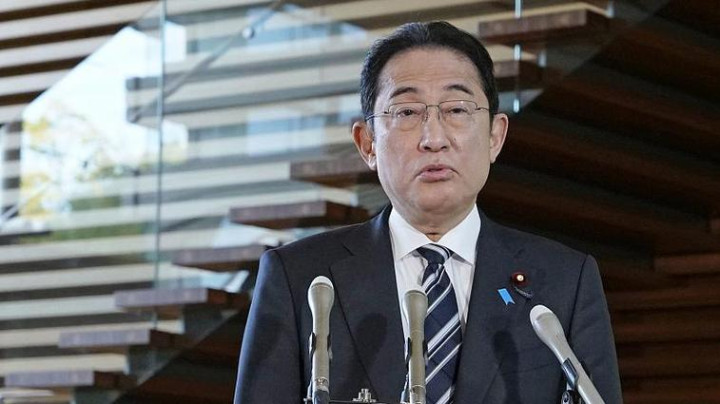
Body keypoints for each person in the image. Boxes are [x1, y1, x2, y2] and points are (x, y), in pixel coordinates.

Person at [234, 21, 622, 404]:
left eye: (457, 109)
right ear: (367, 144)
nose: (434, 138)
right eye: (406, 112)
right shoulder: (298, 277)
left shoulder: (565, 282)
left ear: (495, 136)